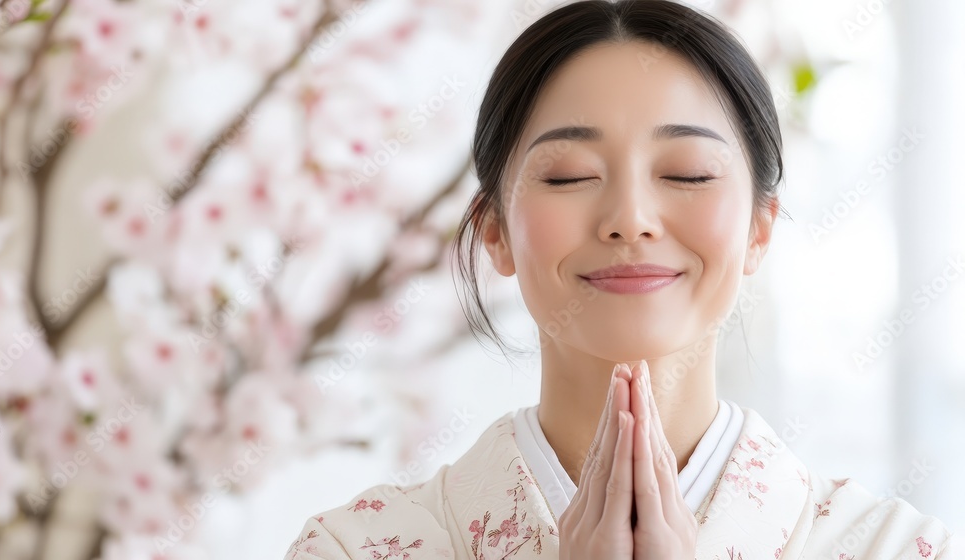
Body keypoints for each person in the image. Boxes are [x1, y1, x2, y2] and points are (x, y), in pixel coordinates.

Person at [283, 1, 961, 558]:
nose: (630, 219)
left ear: (759, 228)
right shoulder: (353, 548)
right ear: (494, 230)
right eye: (569, 176)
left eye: (688, 174)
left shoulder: (900, 548)